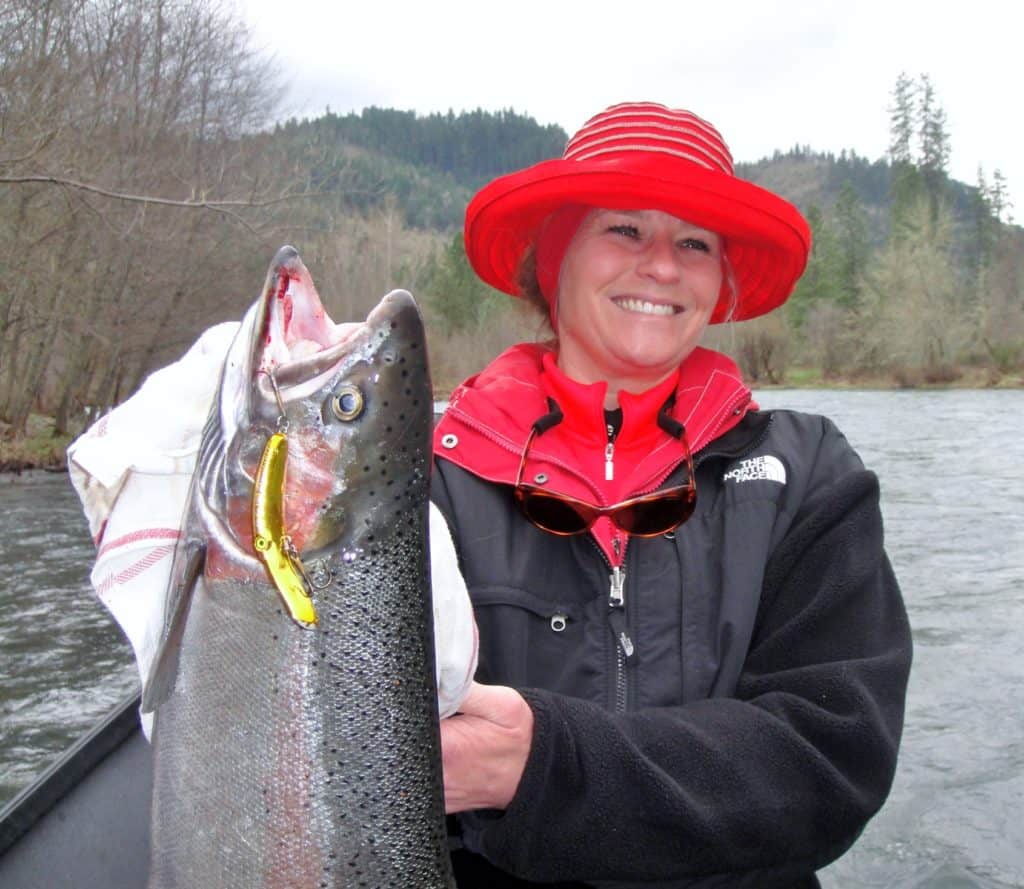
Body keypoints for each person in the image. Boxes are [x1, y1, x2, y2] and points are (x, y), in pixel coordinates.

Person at [430, 102, 912, 888]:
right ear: (555, 257)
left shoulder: (811, 473)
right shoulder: (430, 480)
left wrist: (549, 764)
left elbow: (834, 759)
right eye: (624, 229)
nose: (660, 266)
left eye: (694, 243)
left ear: (719, 281)